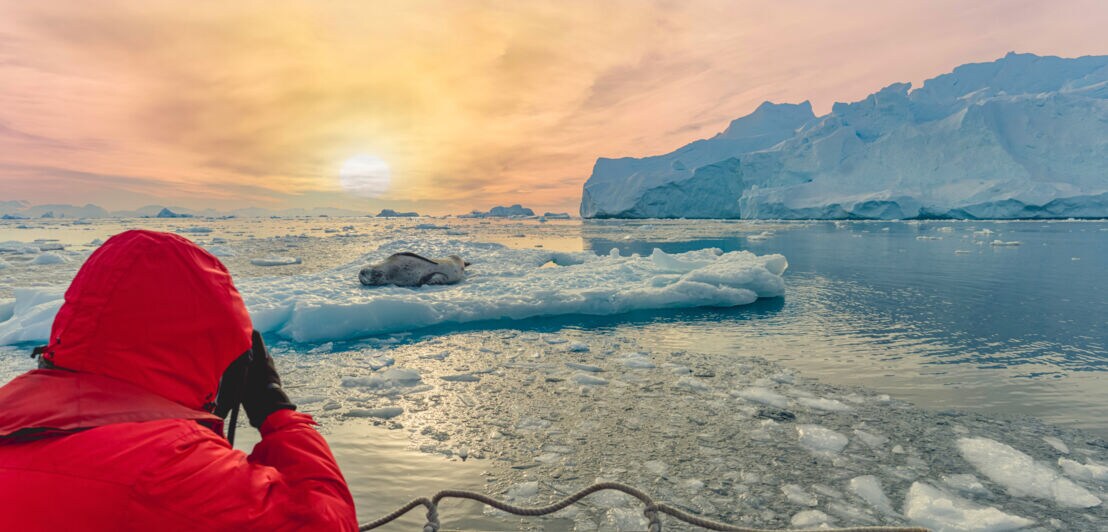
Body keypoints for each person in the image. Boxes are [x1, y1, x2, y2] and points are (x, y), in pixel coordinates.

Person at [0, 230, 358, 530]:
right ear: (210, 343)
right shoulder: (171, 469)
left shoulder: (11, 409)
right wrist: (275, 409)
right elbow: (325, 522)